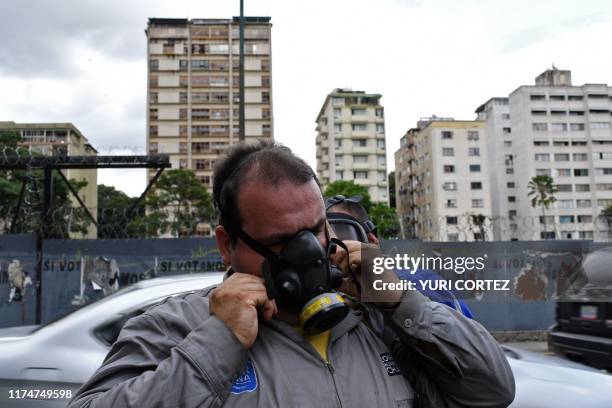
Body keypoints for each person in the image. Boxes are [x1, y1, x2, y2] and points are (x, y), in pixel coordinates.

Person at [68, 141, 514, 408]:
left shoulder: (376, 318)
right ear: (228, 244)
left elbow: (492, 391)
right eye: (283, 241)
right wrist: (217, 343)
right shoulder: (178, 326)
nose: (309, 253)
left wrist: (401, 301)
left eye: (317, 229)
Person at [326, 195, 474, 318]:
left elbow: (471, 342)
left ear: (372, 242)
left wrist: (396, 295)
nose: (333, 249)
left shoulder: (424, 282)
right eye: (319, 237)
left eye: (342, 233)